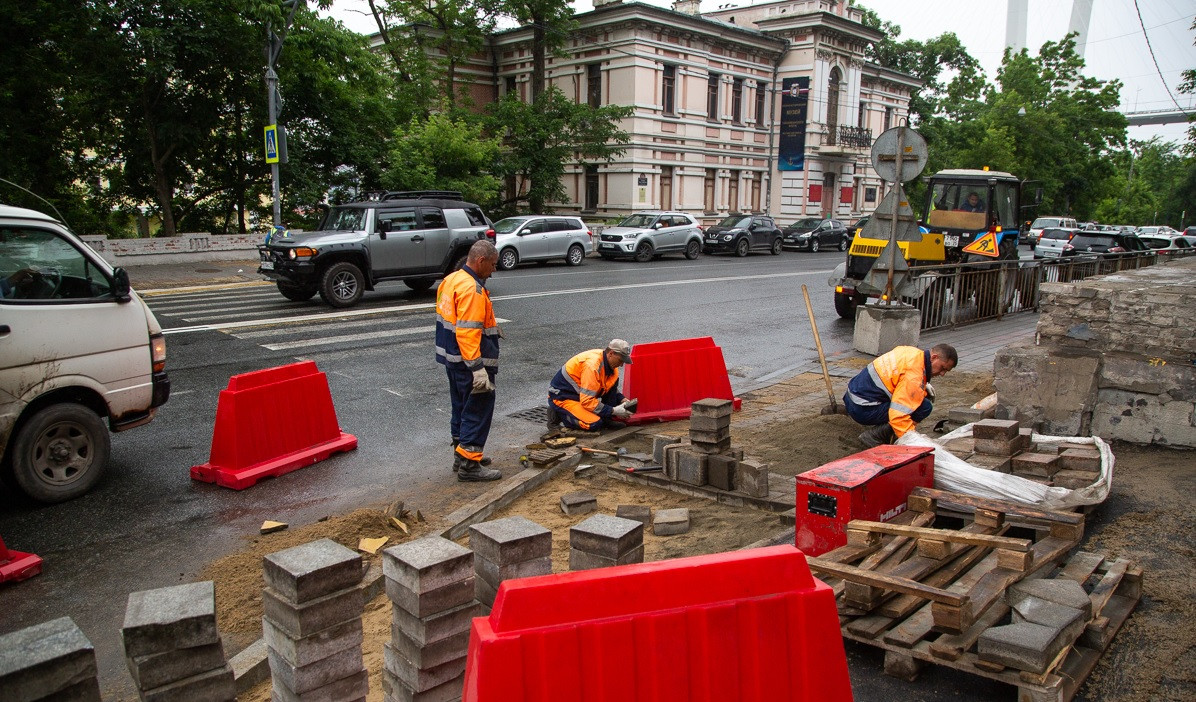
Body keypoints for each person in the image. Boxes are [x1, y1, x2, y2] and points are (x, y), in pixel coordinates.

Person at [435, 240, 503, 482]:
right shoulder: (472, 290)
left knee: (461, 408)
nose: (493, 270)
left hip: (452, 359)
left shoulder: (452, 279)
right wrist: (478, 369)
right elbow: (468, 332)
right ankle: (470, 465)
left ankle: (460, 455)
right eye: (493, 265)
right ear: (481, 261)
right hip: (471, 363)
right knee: (477, 410)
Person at [843, 344, 958, 448]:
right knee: (924, 407)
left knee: (919, 398)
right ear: (934, 357)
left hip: (851, 398)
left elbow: (899, 378)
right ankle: (873, 436)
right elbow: (898, 416)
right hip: (862, 409)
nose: (942, 374)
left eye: (946, 371)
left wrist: (922, 388)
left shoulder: (911, 352)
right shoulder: (914, 377)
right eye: (942, 368)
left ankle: (888, 434)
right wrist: (912, 440)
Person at [547, 340, 637, 432]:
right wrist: (613, 410)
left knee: (608, 402)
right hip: (563, 397)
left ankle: (607, 420)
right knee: (594, 424)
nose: (621, 365)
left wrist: (622, 399)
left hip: (580, 395)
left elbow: (610, 388)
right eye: (620, 360)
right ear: (611, 353)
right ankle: (558, 414)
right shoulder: (592, 366)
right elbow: (587, 401)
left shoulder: (610, 365)